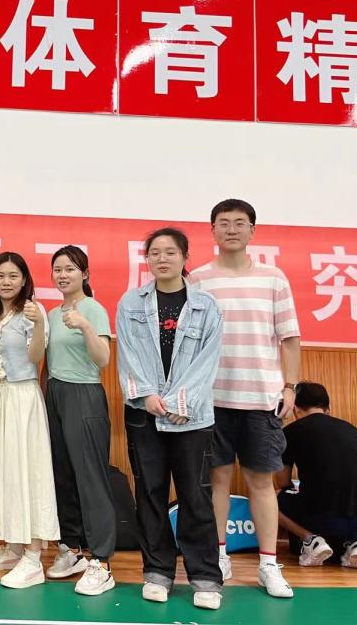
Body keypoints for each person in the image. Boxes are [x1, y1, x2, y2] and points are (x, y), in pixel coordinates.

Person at [188, 199, 300, 599]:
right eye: (224, 223)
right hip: (212, 399)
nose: (231, 229)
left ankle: (269, 565)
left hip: (260, 399)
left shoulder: (274, 278)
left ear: (253, 230)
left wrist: (290, 386)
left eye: (239, 223)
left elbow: (289, 338)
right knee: (216, 480)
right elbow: (190, 341)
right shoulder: (198, 280)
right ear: (212, 230)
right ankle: (218, 557)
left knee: (261, 482)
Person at [116, 228, 224, 611]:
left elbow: (208, 360)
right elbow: (127, 355)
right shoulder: (130, 302)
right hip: (143, 413)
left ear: (185, 257)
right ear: (146, 259)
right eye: (154, 253)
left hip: (192, 417)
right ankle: (157, 572)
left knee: (196, 496)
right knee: (150, 494)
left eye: (170, 252)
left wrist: (182, 401)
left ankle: (205, 577)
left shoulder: (206, 306)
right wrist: (146, 395)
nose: (162, 259)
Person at [0, 252, 58, 589]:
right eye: (0, 276)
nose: (6, 282)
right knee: (6, 471)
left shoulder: (32, 311)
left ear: (24, 279)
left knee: (29, 472)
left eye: (13, 276)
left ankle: (33, 557)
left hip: (24, 397)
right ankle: (12, 546)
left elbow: (36, 357)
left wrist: (38, 324)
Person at [45, 245, 116, 596]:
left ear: (84, 274)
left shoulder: (93, 309)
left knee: (90, 478)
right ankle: (71, 550)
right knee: (62, 475)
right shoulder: (51, 313)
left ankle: (101, 561)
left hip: (84, 394)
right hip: (54, 393)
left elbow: (103, 359)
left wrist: (86, 326)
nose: (63, 275)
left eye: (70, 269)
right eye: (58, 269)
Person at [275, 382, 357, 569]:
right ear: (328, 409)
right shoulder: (352, 430)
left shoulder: (290, 432)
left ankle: (311, 540)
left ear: (296, 409)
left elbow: (282, 482)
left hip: (323, 520)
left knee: (271, 497)